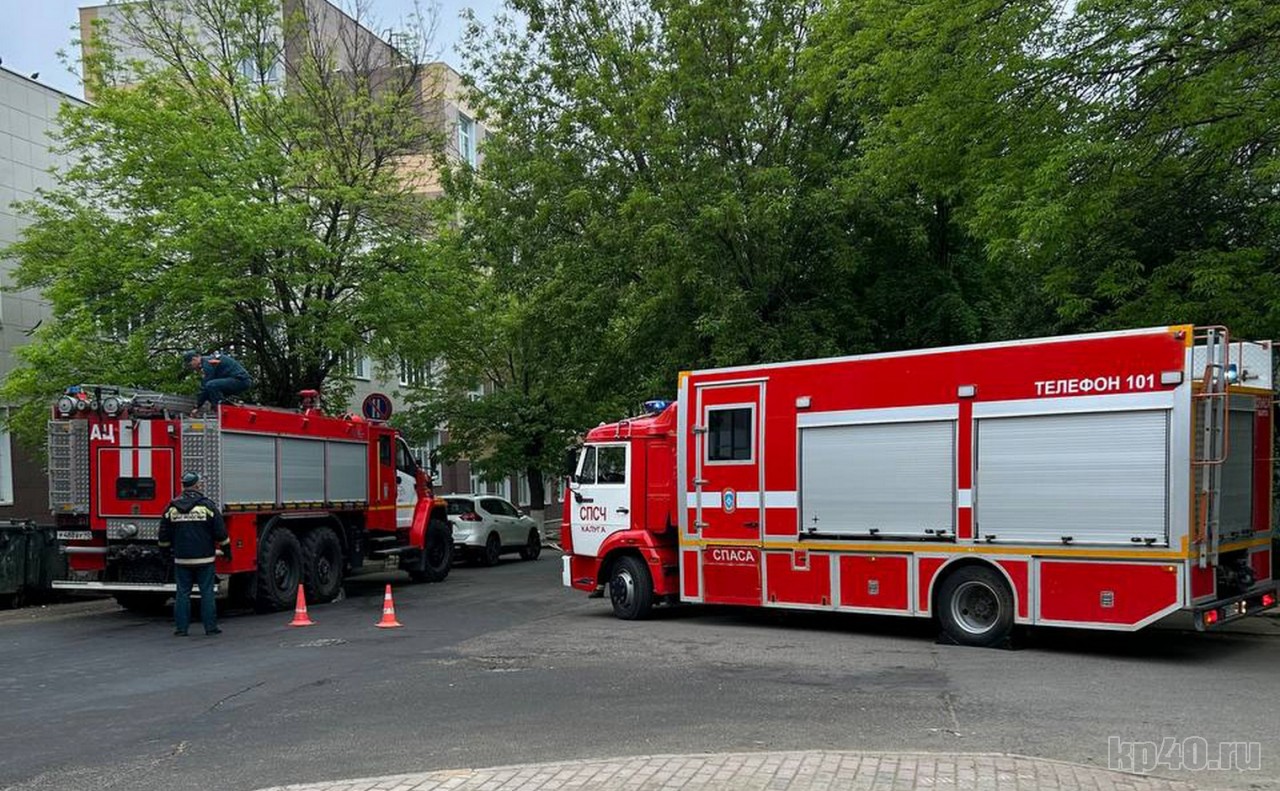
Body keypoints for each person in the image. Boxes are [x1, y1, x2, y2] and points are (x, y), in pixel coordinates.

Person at [158, 471, 230, 636]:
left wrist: (165, 554)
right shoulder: (207, 506)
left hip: (182, 559)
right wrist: (227, 551)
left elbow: (163, 535)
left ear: (183, 486)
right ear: (197, 486)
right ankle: (210, 628)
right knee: (206, 593)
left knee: (182, 593)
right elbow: (221, 533)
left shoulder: (171, 508)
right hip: (205, 558)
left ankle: (181, 629)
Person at [182, 349, 253, 413]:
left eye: (190, 365)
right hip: (236, 380)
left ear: (194, 359)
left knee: (211, 385)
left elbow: (205, 386)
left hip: (240, 380)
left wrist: (197, 406)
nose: (191, 368)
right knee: (211, 392)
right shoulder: (208, 361)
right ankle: (230, 409)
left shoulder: (207, 363)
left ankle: (222, 411)